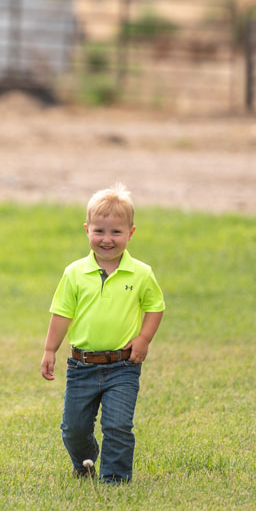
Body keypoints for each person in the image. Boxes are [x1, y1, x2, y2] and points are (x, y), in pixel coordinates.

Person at [40, 183, 164, 485]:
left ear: (131, 233)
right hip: (81, 365)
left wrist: (144, 339)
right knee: (74, 429)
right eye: (99, 231)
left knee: (118, 425)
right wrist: (49, 350)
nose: (107, 240)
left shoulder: (141, 273)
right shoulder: (74, 274)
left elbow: (155, 306)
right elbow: (61, 314)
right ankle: (84, 462)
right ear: (87, 230)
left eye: (116, 233)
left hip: (123, 365)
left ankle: (115, 479)